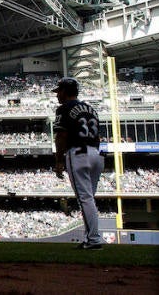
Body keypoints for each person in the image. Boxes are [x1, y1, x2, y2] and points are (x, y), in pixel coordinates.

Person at [53, 77, 104, 249]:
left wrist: (59, 160)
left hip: (78, 153)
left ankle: (94, 240)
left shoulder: (63, 108)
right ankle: (91, 238)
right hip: (96, 154)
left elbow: (61, 136)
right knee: (89, 199)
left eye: (59, 91)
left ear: (66, 91)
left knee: (85, 199)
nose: (57, 95)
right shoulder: (90, 109)